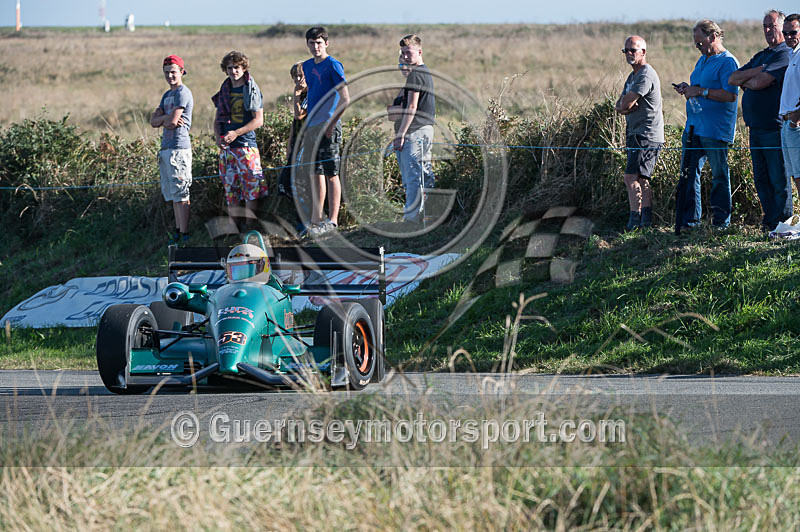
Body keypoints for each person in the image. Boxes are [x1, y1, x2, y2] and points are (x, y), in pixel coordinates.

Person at [673, 20, 740, 231]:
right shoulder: (702, 60)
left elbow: (730, 95)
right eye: (695, 44)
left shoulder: (727, 62)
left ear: (713, 36)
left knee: (719, 174)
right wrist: (688, 88)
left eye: (699, 42)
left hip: (715, 129)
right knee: (689, 173)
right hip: (694, 127)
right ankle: (691, 221)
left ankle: (721, 222)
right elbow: (699, 87)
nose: (698, 47)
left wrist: (700, 91)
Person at [729, 10, 792, 231]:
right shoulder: (762, 56)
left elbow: (758, 83)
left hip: (773, 126)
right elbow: (733, 77)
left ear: (782, 28)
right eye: (765, 26)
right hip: (754, 127)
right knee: (762, 179)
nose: (767, 30)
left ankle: (783, 224)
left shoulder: (785, 54)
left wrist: (750, 79)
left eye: (772, 26)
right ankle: (770, 222)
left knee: (778, 179)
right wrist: (757, 70)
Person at [301, 26, 350, 236]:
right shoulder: (306, 65)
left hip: (329, 125)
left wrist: (331, 125)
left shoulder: (333, 65)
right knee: (315, 172)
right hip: (311, 125)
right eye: (312, 43)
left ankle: (333, 220)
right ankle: (316, 219)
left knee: (331, 173)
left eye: (319, 42)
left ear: (326, 43)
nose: (315, 47)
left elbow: (346, 98)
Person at [614, 35, 665, 231]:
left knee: (636, 177)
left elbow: (624, 104)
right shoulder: (632, 76)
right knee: (638, 177)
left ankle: (638, 221)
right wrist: (625, 108)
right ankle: (641, 221)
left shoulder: (645, 74)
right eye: (625, 50)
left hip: (646, 133)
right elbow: (620, 105)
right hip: (635, 132)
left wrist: (625, 107)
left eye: (632, 50)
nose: (628, 54)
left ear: (643, 52)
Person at [211, 50, 267, 226]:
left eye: (237, 67)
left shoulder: (250, 88)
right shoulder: (224, 88)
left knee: (252, 185)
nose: (233, 71)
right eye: (230, 68)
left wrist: (237, 133)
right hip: (227, 147)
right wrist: (218, 137)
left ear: (243, 68)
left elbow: (258, 120)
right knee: (230, 188)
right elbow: (217, 119)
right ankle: (234, 228)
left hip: (246, 144)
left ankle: (251, 226)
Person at [391, 34, 436, 224]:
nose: (405, 57)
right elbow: (393, 110)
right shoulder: (419, 73)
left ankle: (411, 220)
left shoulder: (417, 74)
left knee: (413, 178)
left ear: (420, 52)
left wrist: (401, 134)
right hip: (424, 129)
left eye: (408, 53)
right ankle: (428, 216)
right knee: (424, 174)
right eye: (402, 53)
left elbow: (411, 107)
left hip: (415, 131)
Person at [150, 54, 193, 245]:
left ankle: (185, 233)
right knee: (174, 193)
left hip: (179, 147)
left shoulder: (183, 93)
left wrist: (165, 119)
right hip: (166, 147)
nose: (170, 76)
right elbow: (153, 122)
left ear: (182, 72)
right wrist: (164, 119)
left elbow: (173, 122)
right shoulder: (167, 96)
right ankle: (177, 229)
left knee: (182, 192)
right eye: (167, 72)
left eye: (173, 72)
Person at [779, 13, 800, 204]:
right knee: (795, 174)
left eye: (792, 32)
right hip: (787, 123)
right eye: (785, 33)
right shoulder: (793, 54)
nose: (788, 36)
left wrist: (795, 120)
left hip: (795, 125)